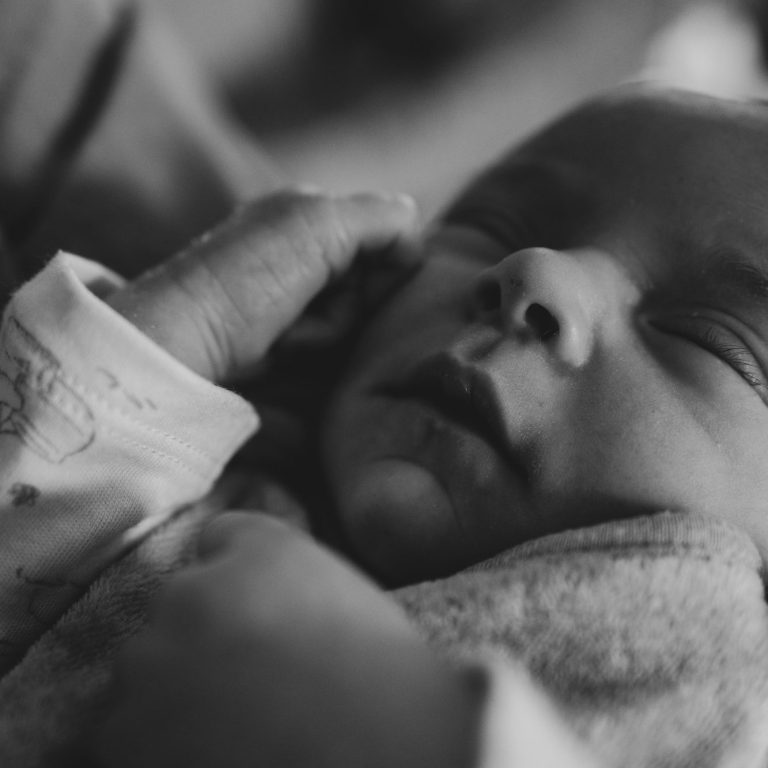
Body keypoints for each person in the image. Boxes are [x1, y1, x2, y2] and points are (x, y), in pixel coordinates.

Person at [85, 84, 768, 767]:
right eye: (494, 226)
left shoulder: (722, 696)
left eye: (708, 332)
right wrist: (147, 352)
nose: (535, 272)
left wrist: (417, 738)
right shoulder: (200, 451)